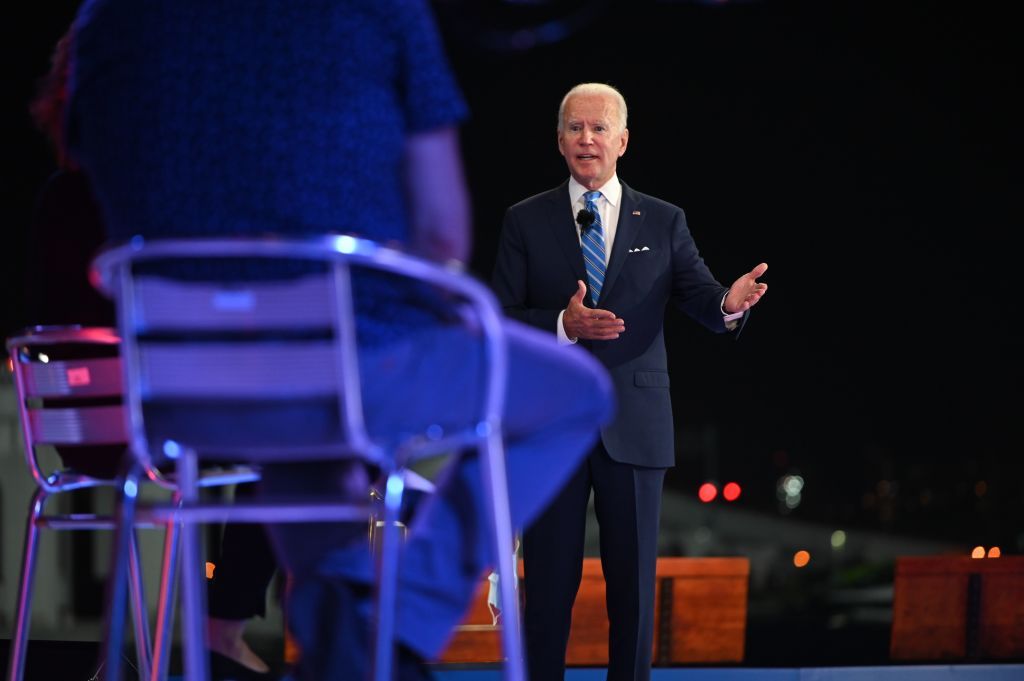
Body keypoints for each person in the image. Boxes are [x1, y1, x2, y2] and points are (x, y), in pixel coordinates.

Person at [65, 2, 615, 680]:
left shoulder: (107, 20)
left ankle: (344, 638)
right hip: (348, 364)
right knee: (575, 393)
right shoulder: (379, 10)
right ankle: (403, 628)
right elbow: (443, 233)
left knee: (302, 430)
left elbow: (105, 180)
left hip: (180, 390)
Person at [491, 82, 768, 681]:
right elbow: (499, 321)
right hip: (551, 427)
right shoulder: (525, 219)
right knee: (547, 584)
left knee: (633, 585)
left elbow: (699, 295)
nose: (586, 139)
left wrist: (729, 305)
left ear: (623, 140)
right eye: (574, 128)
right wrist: (561, 324)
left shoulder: (665, 220)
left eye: (598, 128)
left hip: (634, 425)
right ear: (559, 141)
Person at [28, 24, 279, 681]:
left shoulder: (57, 196)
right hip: (158, 428)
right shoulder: (161, 201)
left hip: (78, 433)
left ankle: (124, 648)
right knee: (289, 441)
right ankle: (223, 625)